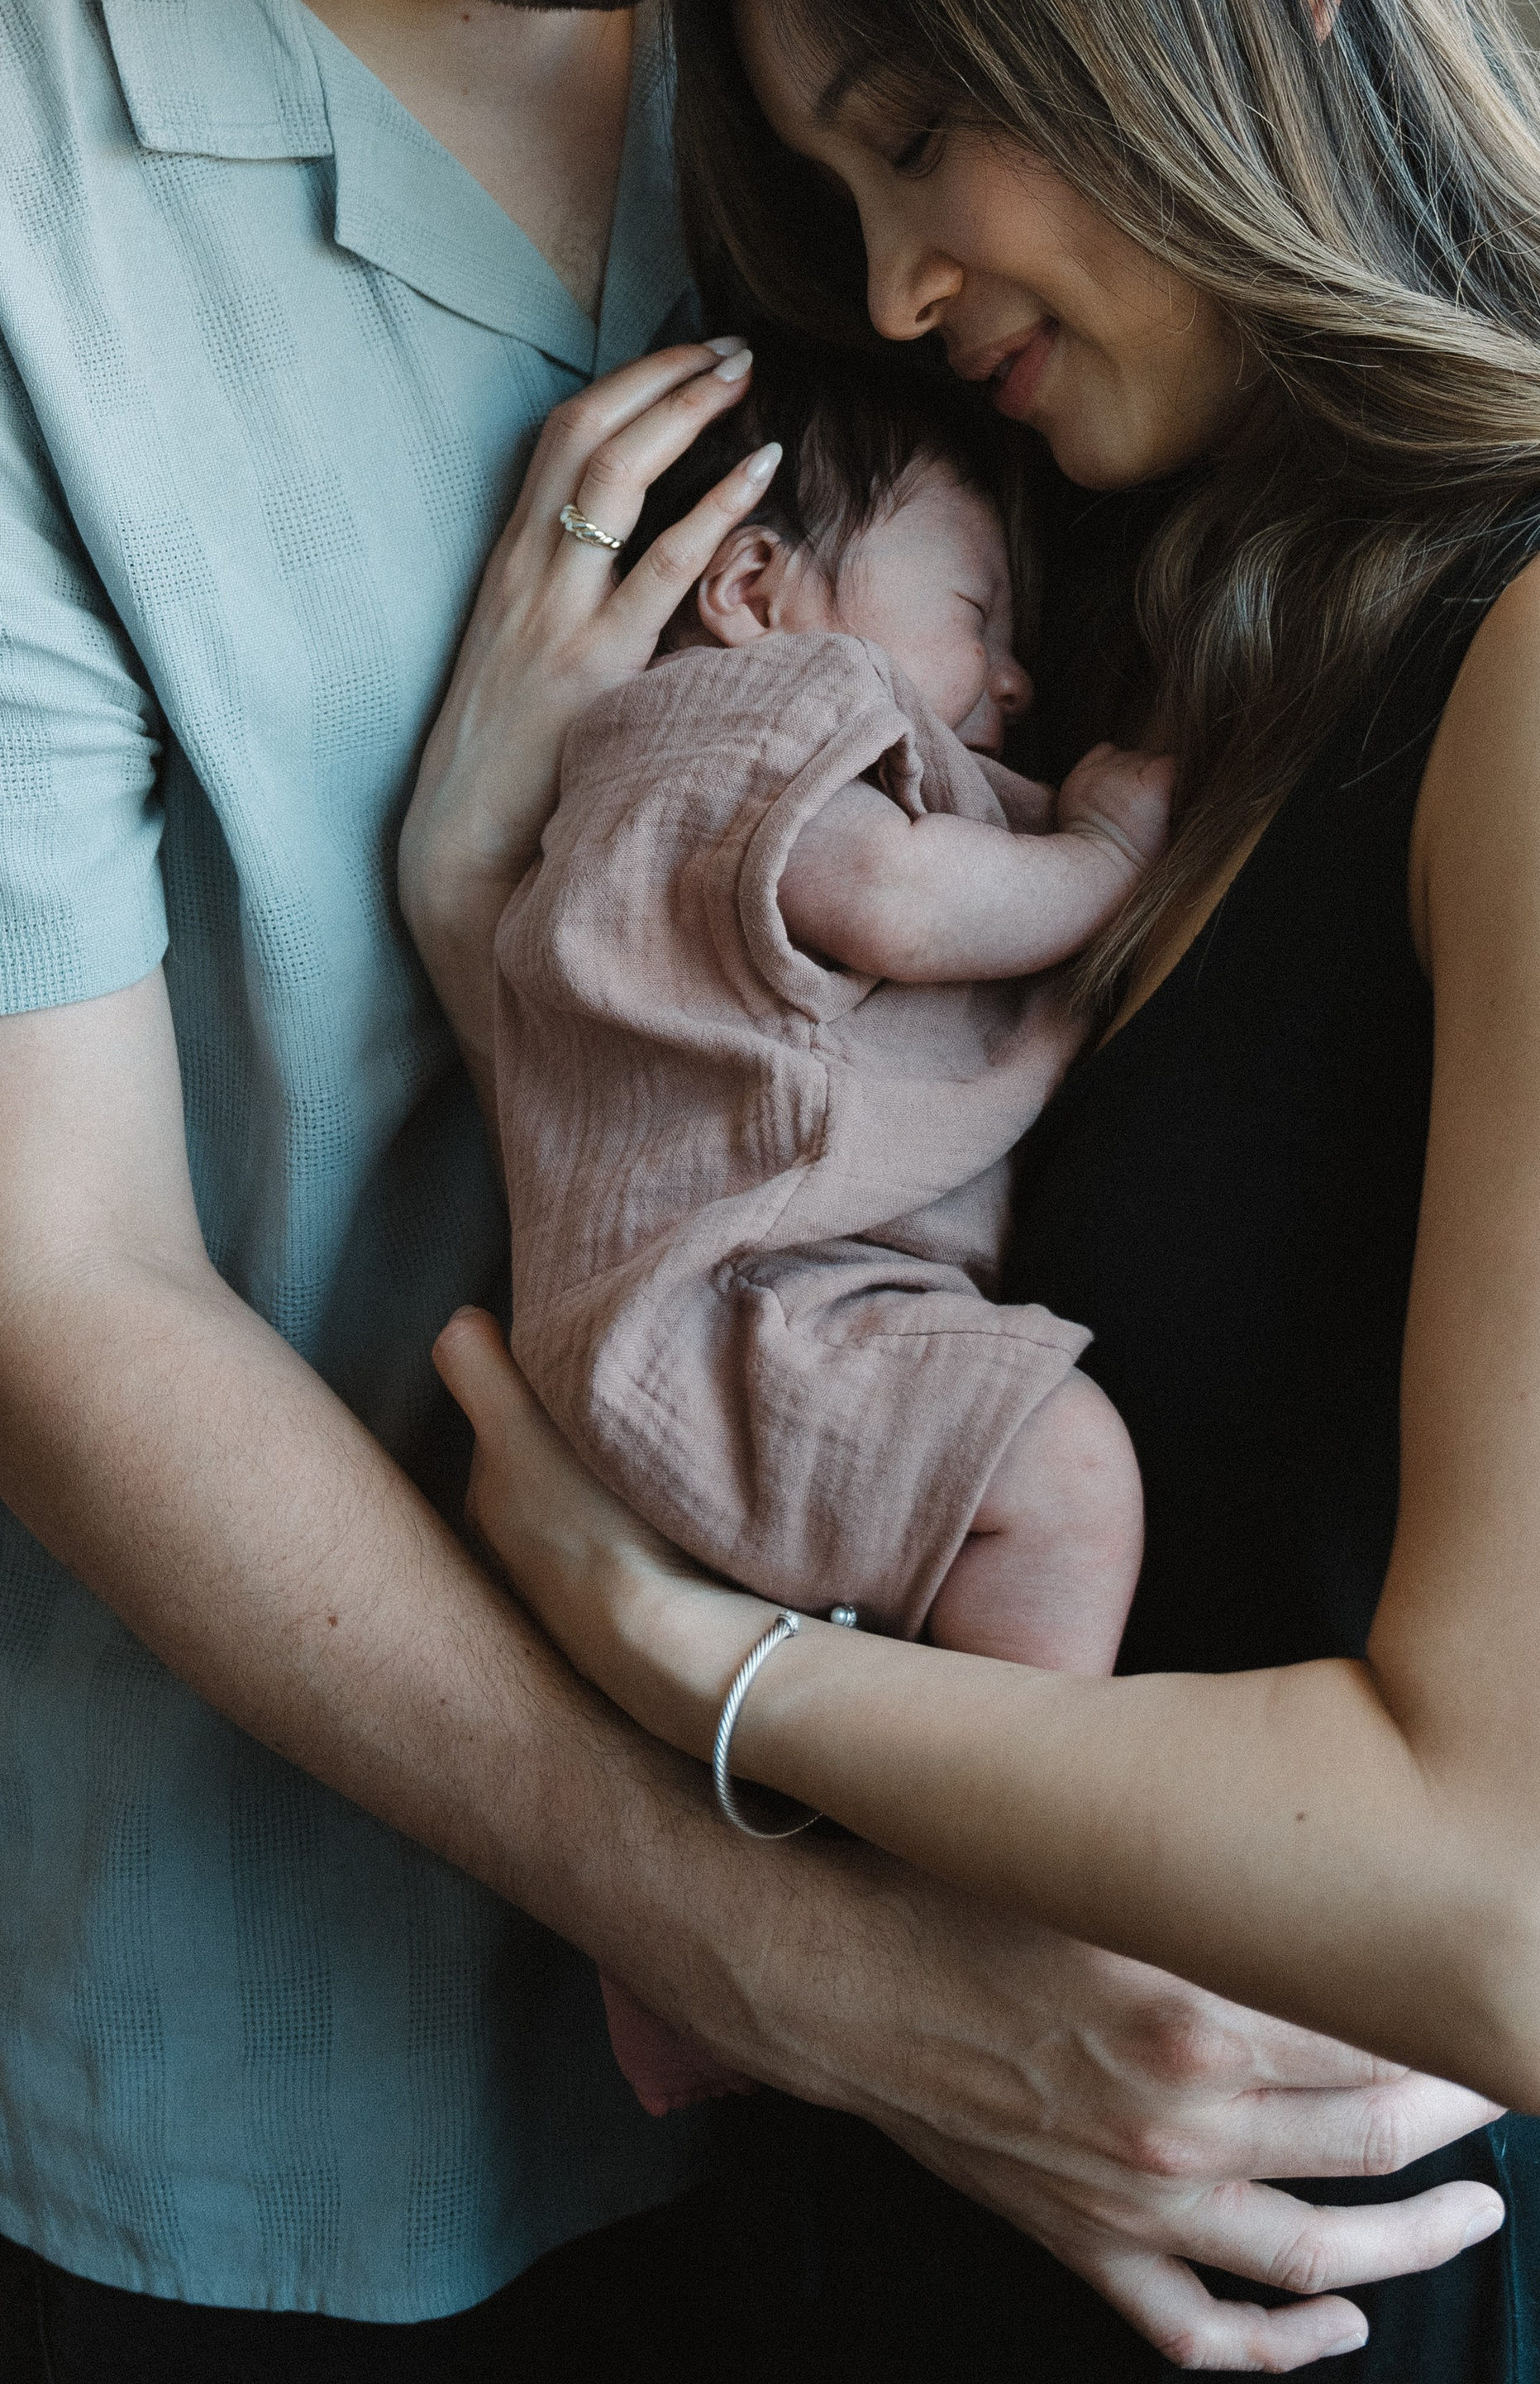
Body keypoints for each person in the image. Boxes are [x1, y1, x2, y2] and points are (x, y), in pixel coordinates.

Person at [0, 0, 1504, 2376]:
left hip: (1004, 1976)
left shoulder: (874, 22)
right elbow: (64, 1299)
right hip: (298, 2077)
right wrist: (818, 1964)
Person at [408, 0, 1540, 2378]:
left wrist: (690, 1661)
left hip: (1366, 2313)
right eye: (837, 192)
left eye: (925, 130)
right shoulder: (1109, 630)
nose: (893, 286)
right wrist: (479, 908)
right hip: (923, 2233)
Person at [498, 352, 1165, 2115]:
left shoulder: (734, 755)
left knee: (735, 1692)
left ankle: (671, 2007)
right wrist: (1107, 848)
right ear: (749, 583)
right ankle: (998, 1894)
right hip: (739, 1300)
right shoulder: (747, 718)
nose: (1012, 676)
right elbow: (897, 896)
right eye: (974, 612)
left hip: (695, 1312)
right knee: (1063, 1475)